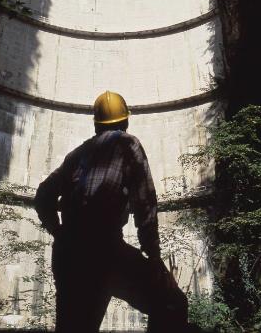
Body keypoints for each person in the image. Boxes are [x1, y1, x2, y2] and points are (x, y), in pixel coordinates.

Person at [34, 90, 196, 333]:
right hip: (105, 252)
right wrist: (153, 257)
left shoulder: (77, 154)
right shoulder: (128, 144)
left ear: (97, 124)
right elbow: (144, 203)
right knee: (171, 303)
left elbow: (43, 195)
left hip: (68, 255)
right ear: (126, 121)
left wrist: (59, 233)